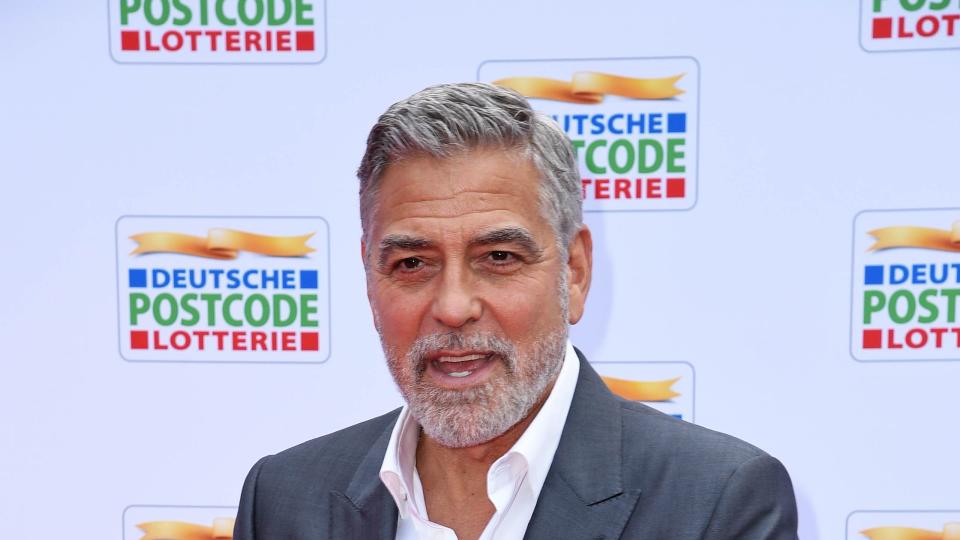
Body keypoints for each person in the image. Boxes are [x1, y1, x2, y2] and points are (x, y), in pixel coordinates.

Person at [233, 82, 798, 540]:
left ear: (574, 271)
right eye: (411, 263)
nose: (453, 307)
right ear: (368, 276)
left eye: (498, 257)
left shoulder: (716, 502)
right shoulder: (285, 498)